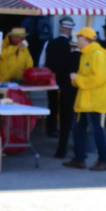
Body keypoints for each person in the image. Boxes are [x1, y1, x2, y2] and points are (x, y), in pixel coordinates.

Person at [64, 27, 106, 171]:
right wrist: (76, 80)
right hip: (85, 100)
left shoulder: (97, 54)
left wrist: (77, 79)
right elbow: (87, 77)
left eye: (78, 37)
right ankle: (79, 159)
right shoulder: (86, 54)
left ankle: (103, 160)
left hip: (93, 100)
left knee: (95, 130)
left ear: (84, 38)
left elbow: (99, 78)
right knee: (77, 129)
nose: (76, 40)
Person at [42, 16, 80, 156]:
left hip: (52, 79)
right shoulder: (76, 53)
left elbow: (42, 62)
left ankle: (51, 128)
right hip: (69, 84)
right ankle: (74, 146)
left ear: (59, 28)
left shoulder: (49, 43)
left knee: (52, 104)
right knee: (69, 114)